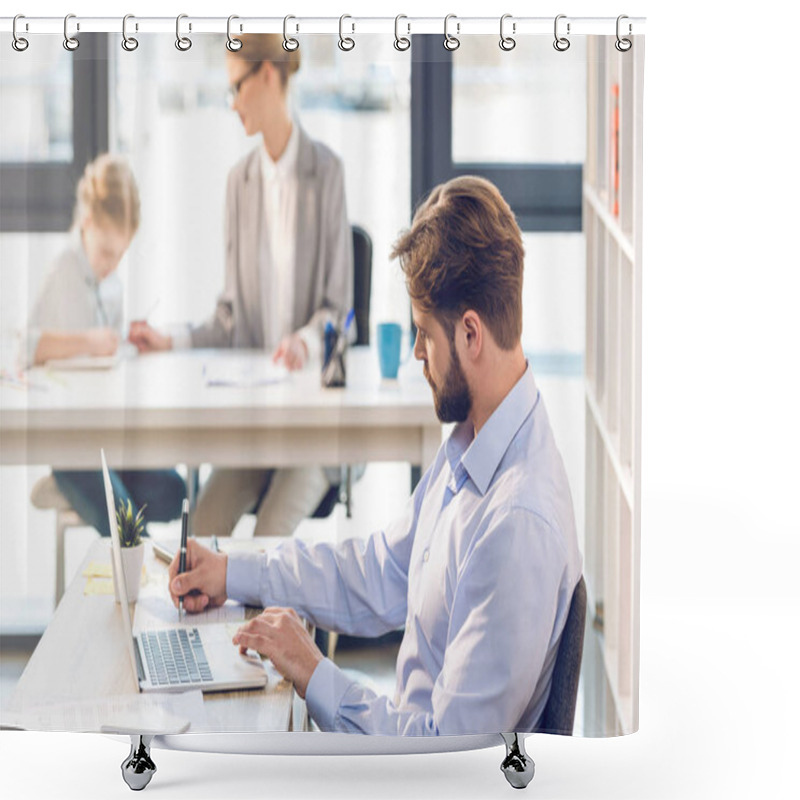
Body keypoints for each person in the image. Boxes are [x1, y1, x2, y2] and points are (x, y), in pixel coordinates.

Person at [166, 176, 583, 735]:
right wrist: (234, 571)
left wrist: (314, 672)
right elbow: (382, 571)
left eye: (423, 334)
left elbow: (445, 759)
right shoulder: (474, 443)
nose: (415, 353)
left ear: (470, 334)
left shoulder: (516, 526)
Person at [129, 34, 352, 539]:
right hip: (256, 426)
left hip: (313, 429)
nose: (231, 103)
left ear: (268, 76)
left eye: (236, 87)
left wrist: (305, 339)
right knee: (201, 529)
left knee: (268, 536)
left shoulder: (328, 173)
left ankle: (282, 622)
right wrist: (171, 339)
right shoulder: (238, 182)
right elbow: (229, 317)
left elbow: (338, 310)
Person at [24, 153, 186, 537]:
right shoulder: (64, 269)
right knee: (130, 527)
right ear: (87, 223)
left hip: (105, 438)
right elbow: (24, 349)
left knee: (177, 492)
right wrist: (88, 342)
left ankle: (88, 492)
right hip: (71, 442)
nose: (112, 265)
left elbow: (108, 355)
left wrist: (124, 344)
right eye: (107, 253)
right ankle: (76, 485)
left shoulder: (112, 282)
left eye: (121, 255)